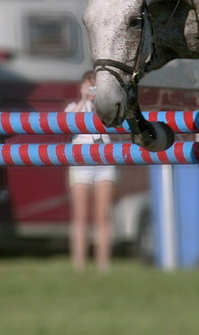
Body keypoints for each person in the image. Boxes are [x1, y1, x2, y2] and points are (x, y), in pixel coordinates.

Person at [65, 70, 117, 271]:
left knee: (102, 214)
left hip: (104, 160)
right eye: (90, 85)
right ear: (82, 86)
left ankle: (104, 264)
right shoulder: (73, 107)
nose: (93, 90)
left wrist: (101, 100)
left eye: (96, 86)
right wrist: (83, 99)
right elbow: (67, 124)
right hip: (80, 161)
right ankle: (79, 264)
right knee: (80, 215)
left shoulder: (107, 107)